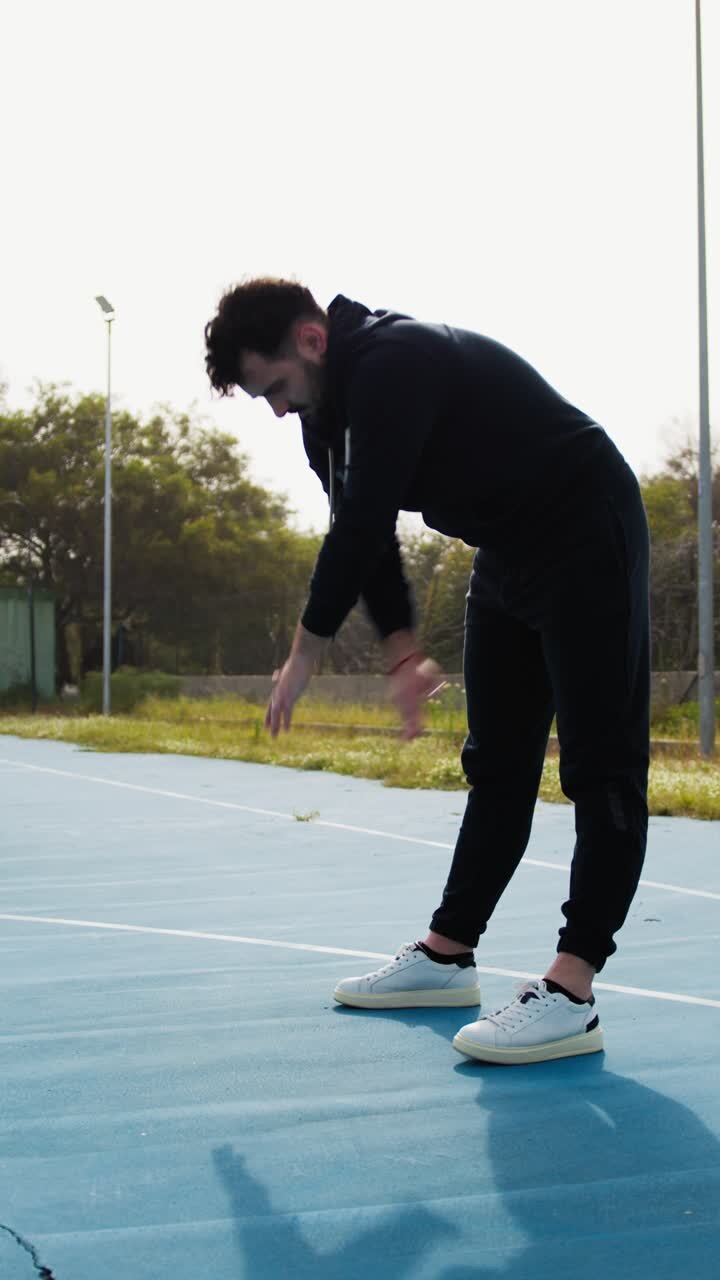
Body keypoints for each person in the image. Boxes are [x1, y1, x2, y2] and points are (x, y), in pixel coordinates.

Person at [204, 279, 650, 1065]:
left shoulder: (393, 359)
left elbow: (371, 516)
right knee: (498, 764)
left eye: (274, 388)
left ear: (312, 341)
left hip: (585, 525)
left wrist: (306, 649)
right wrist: (404, 651)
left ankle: (573, 989)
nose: (276, 410)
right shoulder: (324, 422)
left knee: (600, 766)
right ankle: (448, 956)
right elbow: (364, 537)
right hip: (507, 551)